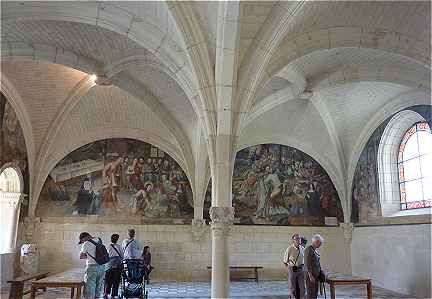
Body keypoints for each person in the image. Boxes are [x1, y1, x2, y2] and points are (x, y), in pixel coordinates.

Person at [79, 232, 105, 299]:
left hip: (92, 267)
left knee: (89, 287)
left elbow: (81, 256)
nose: (82, 242)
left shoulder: (86, 243)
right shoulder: (99, 240)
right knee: (98, 286)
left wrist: (87, 255)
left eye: (82, 241)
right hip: (102, 266)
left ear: (84, 238)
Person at [283, 234, 305, 299]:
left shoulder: (302, 248)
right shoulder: (289, 249)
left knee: (302, 287)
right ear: (293, 240)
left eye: (299, 238)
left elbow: (304, 259)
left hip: (301, 269)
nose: (298, 240)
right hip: (292, 269)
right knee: (293, 287)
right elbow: (285, 261)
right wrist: (290, 268)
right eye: (297, 239)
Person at [304, 234, 325, 299]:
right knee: (311, 293)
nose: (320, 245)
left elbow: (317, 263)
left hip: (316, 276)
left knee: (315, 293)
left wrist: (320, 271)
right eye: (320, 243)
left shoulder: (314, 250)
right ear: (316, 242)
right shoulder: (309, 250)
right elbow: (307, 263)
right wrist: (310, 276)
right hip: (311, 276)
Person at [104, 234, 123, 299]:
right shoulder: (119, 246)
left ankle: (106, 293)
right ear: (117, 240)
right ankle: (113, 295)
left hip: (109, 266)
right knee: (116, 281)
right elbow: (122, 256)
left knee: (108, 281)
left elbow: (106, 256)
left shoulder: (108, 246)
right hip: (117, 266)